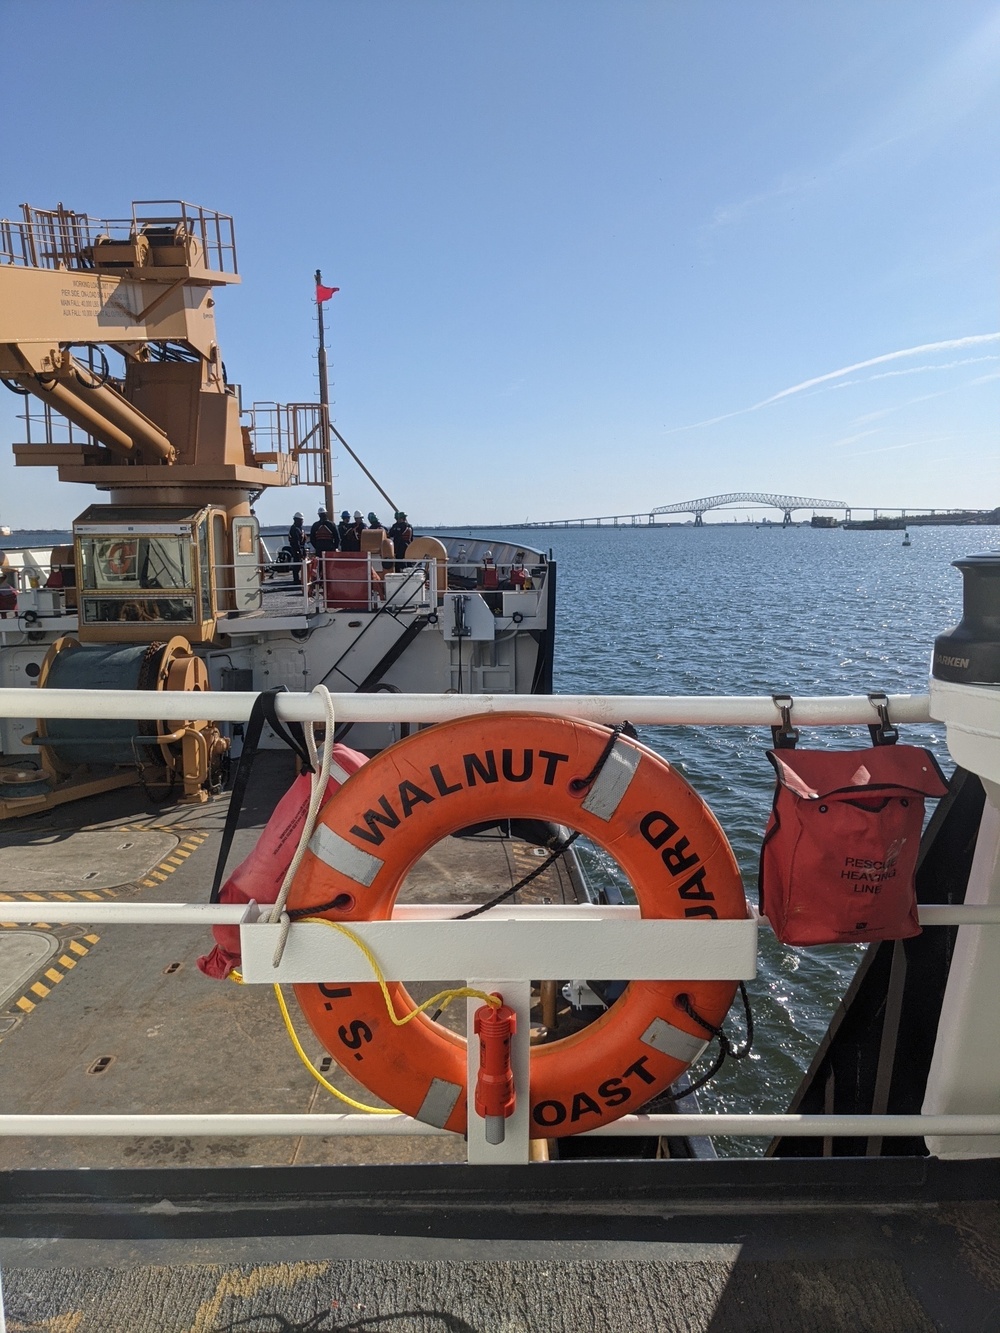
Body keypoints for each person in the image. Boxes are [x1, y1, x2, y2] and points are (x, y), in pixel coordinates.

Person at [288, 511, 306, 584]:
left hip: (300, 548)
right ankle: (296, 578)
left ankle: (299, 578)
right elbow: (296, 541)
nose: (302, 522)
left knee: (299, 564)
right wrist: (299, 551)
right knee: (297, 564)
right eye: (301, 520)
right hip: (296, 549)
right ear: (297, 520)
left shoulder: (298, 528)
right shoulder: (295, 529)